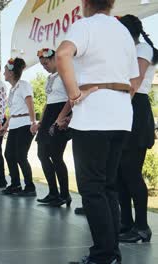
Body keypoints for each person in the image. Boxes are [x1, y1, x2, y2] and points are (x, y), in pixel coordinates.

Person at [56, 0, 139, 263]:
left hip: (93, 117)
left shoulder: (85, 25)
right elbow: (133, 78)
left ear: (85, 3)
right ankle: (111, 253)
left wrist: (74, 94)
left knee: (92, 189)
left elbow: (62, 54)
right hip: (122, 115)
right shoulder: (123, 32)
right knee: (108, 186)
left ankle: (104, 255)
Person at [116, 14, 156, 243]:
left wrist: (118, 108)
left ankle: (142, 227)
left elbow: (135, 83)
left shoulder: (142, 49)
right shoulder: (129, 51)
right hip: (125, 108)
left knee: (131, 173)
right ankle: (126, 223)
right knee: (119, 173)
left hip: (136, 109)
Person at [33, 48, 72, 207]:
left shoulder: (65, 73)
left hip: (60, 113)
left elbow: (71, 98)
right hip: (49, 113)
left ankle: (64, 194)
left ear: (56, 58)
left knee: (56, 156)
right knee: (41, 154)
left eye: (46, 62)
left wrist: (60, 119)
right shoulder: (50, 78)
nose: (45, 66)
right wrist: (41, 122)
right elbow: (47, 102)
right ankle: (53, 192)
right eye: (42, 64)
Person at [0, 58, 37, 197]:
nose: (4, 73)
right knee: (9, 154)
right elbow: (13, 111)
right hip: (15, 124)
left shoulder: (24, 85)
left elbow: (30, 104)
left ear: (11, 72)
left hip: (25, 123)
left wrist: (33, 122)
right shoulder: (12, 89)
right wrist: (5, 125)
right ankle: (15, 184)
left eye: (5, 71)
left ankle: (30, 187)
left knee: (21, 156)